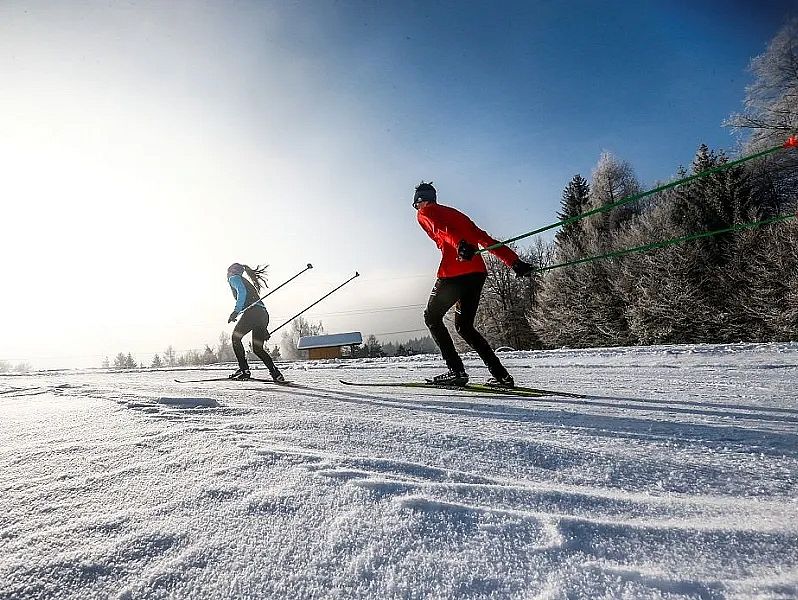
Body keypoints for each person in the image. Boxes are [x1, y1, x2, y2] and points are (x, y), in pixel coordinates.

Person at [413, 181, 535, 388]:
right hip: (477, 274)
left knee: (431, 317)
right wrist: (514, 262)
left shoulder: (425, 212)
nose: (416, 209)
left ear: (420, 201)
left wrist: (459, 244)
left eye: (416, 204)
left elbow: (442, 230)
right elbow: (486, 240)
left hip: (454, 272)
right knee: (464, 327)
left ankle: (456, 371)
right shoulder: (458, 214)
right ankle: (501, 376)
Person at [226, 263, 285, 382]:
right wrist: (264, 328)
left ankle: (244, 370)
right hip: (262, 314)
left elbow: (242, 292)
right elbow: (257, 307)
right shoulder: (244, 281)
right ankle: (275, 373)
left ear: (231, 271)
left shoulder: (234, 278)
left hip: (252, 313)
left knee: (235, 338)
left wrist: (235, 311)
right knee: (258, 348)